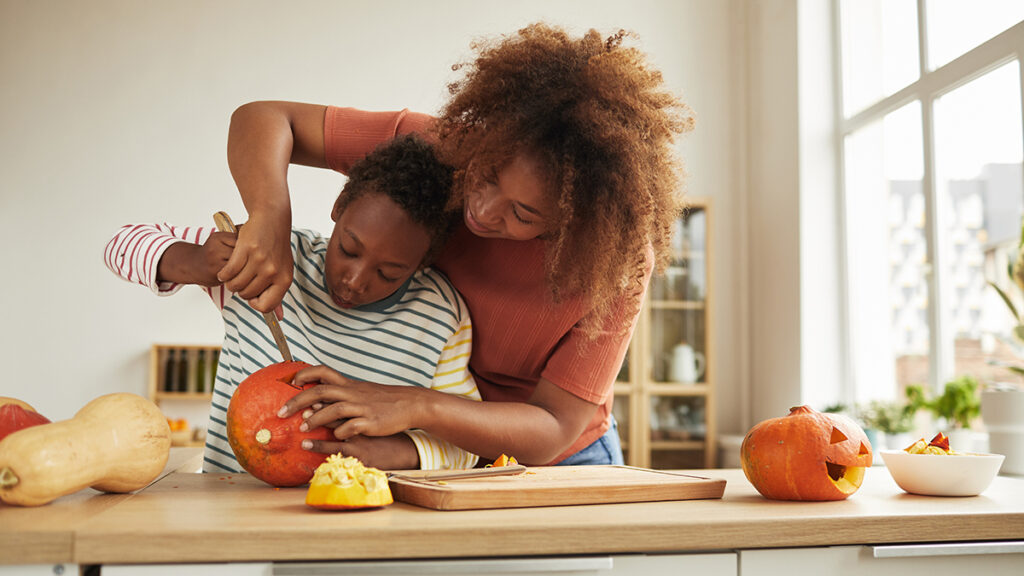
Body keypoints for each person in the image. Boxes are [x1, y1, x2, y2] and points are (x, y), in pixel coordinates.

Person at [221, 23, 693, 466]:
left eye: (523, 214)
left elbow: (552, 427)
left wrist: (414, 406)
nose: (483, 212)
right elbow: (265, 118)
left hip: (556, 458)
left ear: (575, 218)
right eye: (485, 176)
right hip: (414, 439)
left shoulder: (612, 263)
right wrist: (269, 218)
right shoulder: (434, 148)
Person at [104, 135, 480, 473]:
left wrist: (402, 452)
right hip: (231, 509)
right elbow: (120, 246)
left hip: (358, 520)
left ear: (425, 260)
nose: (355, 280)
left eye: (389, 273)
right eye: (348, 250)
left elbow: (467, 444)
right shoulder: (271, 259)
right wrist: (197, 262)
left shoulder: (440, 316)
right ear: (338, 209)